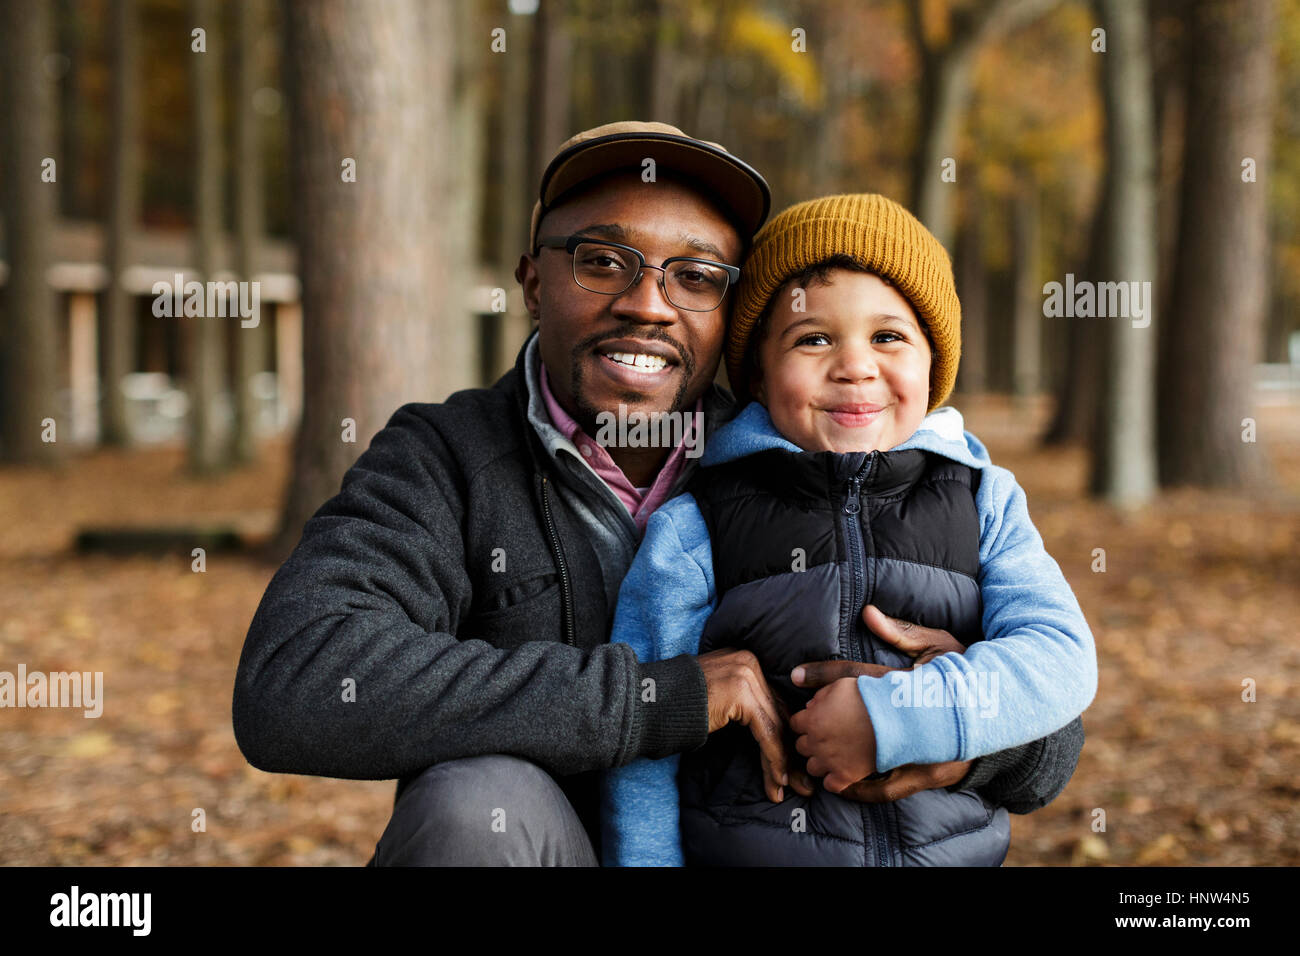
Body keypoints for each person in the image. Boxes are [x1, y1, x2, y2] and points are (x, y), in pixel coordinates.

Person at [232, 124, 1085, 867]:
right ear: (533, 281)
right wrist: (659, 700)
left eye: (697, 276)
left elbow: (1053, 731)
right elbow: (297, 681)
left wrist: (946, 730)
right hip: (543, 851)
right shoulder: (446, 458)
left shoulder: (807, 445)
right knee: (472, 807)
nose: (648, 305)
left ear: (732, 312)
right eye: (603, 261)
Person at [601, 193, 1097, 866]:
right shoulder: (698, 524)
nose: (855, 365)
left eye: (888, 336)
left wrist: (903, 716)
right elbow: (647, 738)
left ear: (933, 363)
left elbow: (1060, 658)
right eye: (814, 339)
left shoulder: (985, 501)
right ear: (757, 374)